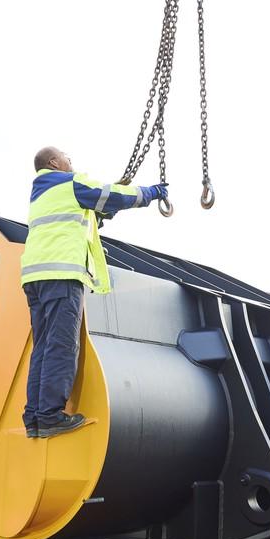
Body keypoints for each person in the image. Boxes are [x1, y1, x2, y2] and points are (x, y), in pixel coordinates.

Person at [21, 147, 167, 438]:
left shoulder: (43, 193)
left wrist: (103, 211)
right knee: (62, 345)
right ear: (54, 163)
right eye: (67, 157)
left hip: (35, 277)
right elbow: (113, 194)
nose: (71, 161)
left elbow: (89, 214)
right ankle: (50, 415)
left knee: (44, 347)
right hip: (62, 275)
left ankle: (35, 418)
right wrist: (152, 193)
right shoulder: (70, 183)